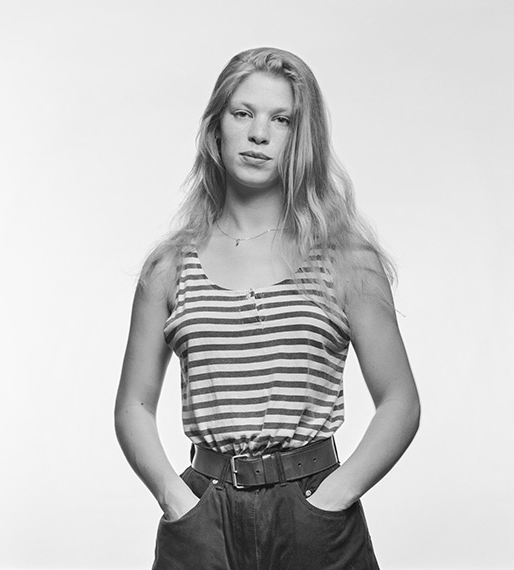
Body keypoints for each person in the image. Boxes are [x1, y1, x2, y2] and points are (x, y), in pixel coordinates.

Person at [115, 47, 420, 570]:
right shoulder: (170, 267)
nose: (259, 134)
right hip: (202, 514)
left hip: (314, 511)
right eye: (243, 113)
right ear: (216, 128)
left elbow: (400, 400)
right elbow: (133, 406)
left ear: (302, 138)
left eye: (282, 120)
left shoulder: (345, 260)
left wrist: (335, 495)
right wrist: (174, 497)